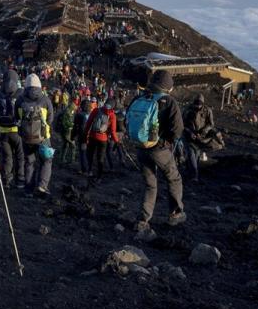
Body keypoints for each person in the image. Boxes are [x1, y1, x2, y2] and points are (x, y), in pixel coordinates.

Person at [127, 71, 186, 232]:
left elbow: (127, 118)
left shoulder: (140, 97)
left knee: (150, 184)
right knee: (174, 178)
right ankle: (175, 214)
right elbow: (177, 129)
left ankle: (143, 220)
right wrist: (167, 141)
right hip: (160, 149)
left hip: (141, 147)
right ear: (168, 86)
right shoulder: (169, 101)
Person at [17, 73, 55, 196]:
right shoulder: (45, 100)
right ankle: (42, 186)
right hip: (43, 137)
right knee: (46, 160)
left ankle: (28, 190)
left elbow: (16, 117)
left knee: (29, 162)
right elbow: (50, 119)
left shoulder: (20, 100)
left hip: (26, 137)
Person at [0, 69, 25, 189]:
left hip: (3, 131)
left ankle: (6, 180)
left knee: (7, 157)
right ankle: (20, 180)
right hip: (17, 131)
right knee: (20, 156)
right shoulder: (21, 93)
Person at [83, 100, 119, 185]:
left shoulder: (96, 110)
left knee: (90, 154)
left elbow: (88, 123)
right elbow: (113, 131)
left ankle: (90, 171)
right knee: (100, 158)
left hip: (92, 136)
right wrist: (116, 141)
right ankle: (99, 177)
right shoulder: (113, 115)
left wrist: (85, 135)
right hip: (103, 139)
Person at [182, 94, 215, 183]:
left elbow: (211, 124)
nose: (197, 106)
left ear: (203, 104)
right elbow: (182, 123)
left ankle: (189, 172)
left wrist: (203, 131)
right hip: (188, 135)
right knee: (191, 153)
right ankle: (194, 176)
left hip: (201, 137)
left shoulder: (207, 111)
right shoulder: (188, 110)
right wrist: (189, 132)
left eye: (199, 104)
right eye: (196, 104)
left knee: (196, 154)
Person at [73, 99, 92, 175]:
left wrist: (72, 136)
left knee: (82, 153)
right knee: (89, 153)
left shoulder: (79, 115)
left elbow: (75, 127)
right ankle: (90, 170)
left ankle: (84, 170)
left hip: (83, 137)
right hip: (91, 136)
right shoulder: (91, 114)